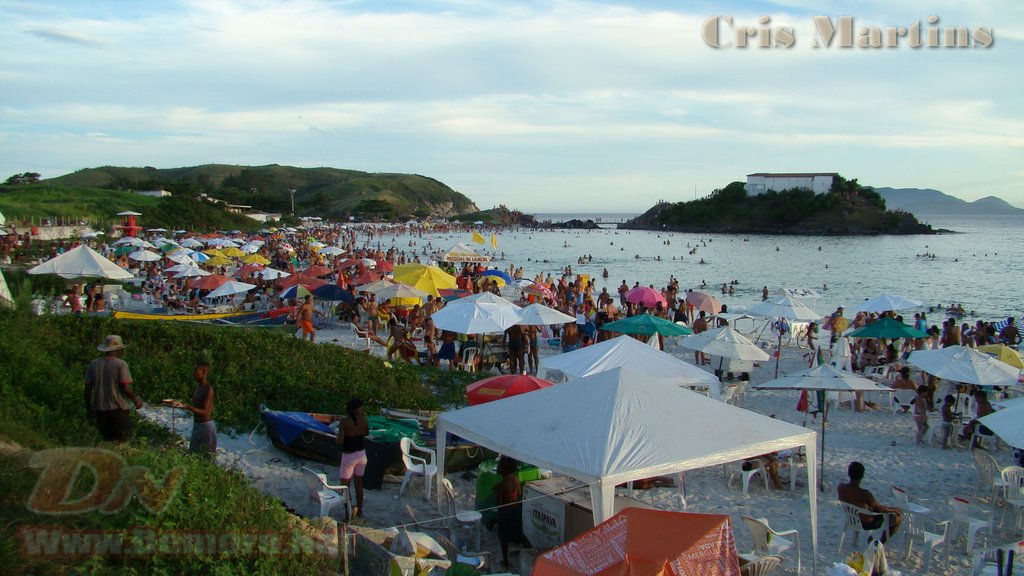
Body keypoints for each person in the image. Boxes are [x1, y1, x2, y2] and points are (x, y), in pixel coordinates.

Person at [84, 335, 143, 442]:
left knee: (107, 440)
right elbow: (126, 387)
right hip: (118, 409)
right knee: (124, 441)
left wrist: (88, 408)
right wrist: (136, 400)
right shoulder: (121, 364)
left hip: (100, 409)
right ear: (118, 349)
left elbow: (87, 389)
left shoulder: (93, 364)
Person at [837, 461, 902, 543]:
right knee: (897, 518)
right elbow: (878, 509)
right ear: (862, 476)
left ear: (849, 474)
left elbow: (869, 506)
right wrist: (893, 510)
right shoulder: (864, 493)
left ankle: (869, 540)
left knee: (871, 509)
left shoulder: (841, 487)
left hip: (852, 518)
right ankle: (881, 543)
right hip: (866, 522)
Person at [165, 359, 216, 460]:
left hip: (206, 428)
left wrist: (187, 407)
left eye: (196, 371)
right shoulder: (198, 387)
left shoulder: (208, 389)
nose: (194, 373)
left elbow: (205, 412)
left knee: (208, 459)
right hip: (197, 426)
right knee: (193, 456)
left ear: (204, 372)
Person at [494, 457, 531, 569]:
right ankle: (532, 550)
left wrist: (496, 491)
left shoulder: (502, 484)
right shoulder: (515, 479)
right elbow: (519, 493)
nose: (498, 468)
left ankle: (505, 561)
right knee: (520, 534)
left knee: (504, 538)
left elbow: (499, 503)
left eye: (500, 466)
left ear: (504, 468)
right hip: (516, 510)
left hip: (505, 512)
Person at [335, 397, 369, 519]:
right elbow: (366, 433)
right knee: (359, 485)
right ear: (358, 408)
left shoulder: (344, 422)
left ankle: (348, 514)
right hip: (361, 455)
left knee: (345, 487)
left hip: (349, 456)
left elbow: (340, 441)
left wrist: (337, 437)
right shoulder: (364, 420)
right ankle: (359, 511)